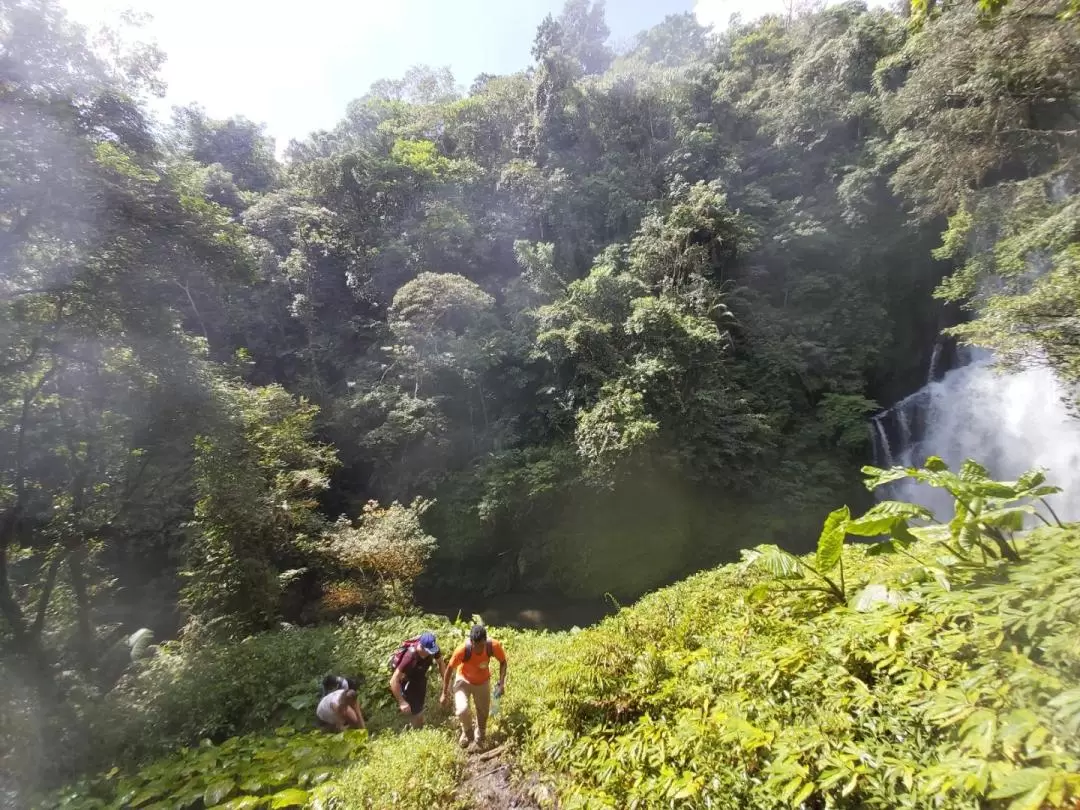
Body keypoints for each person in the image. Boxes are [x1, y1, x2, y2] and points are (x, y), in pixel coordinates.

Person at [440, 624, 507, 748]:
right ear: (471, 642)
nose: (479, 649)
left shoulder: (493, 646)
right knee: (462, 709)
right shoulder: (462, 650)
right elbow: (449, 669)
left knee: (483, 712)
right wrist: (444, 692)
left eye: (482, 645)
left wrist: (501, 683)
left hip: (482, 681)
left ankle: (480, 733)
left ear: (485, 640)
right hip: (463, 680)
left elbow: (503, 662)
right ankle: (467, 731)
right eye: (476, 646)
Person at [389, 631, 445, 729]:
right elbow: (394, 680)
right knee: (416, 711)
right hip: (408, 680)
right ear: (421, 647)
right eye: (429, 651)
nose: (431, 653)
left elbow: (440, 662)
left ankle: (416, 724)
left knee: (419, 707)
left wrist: (446, 682)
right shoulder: (410, 658)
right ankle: (414, 729)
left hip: (420, 677)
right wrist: (401, 702)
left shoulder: (433, 649)